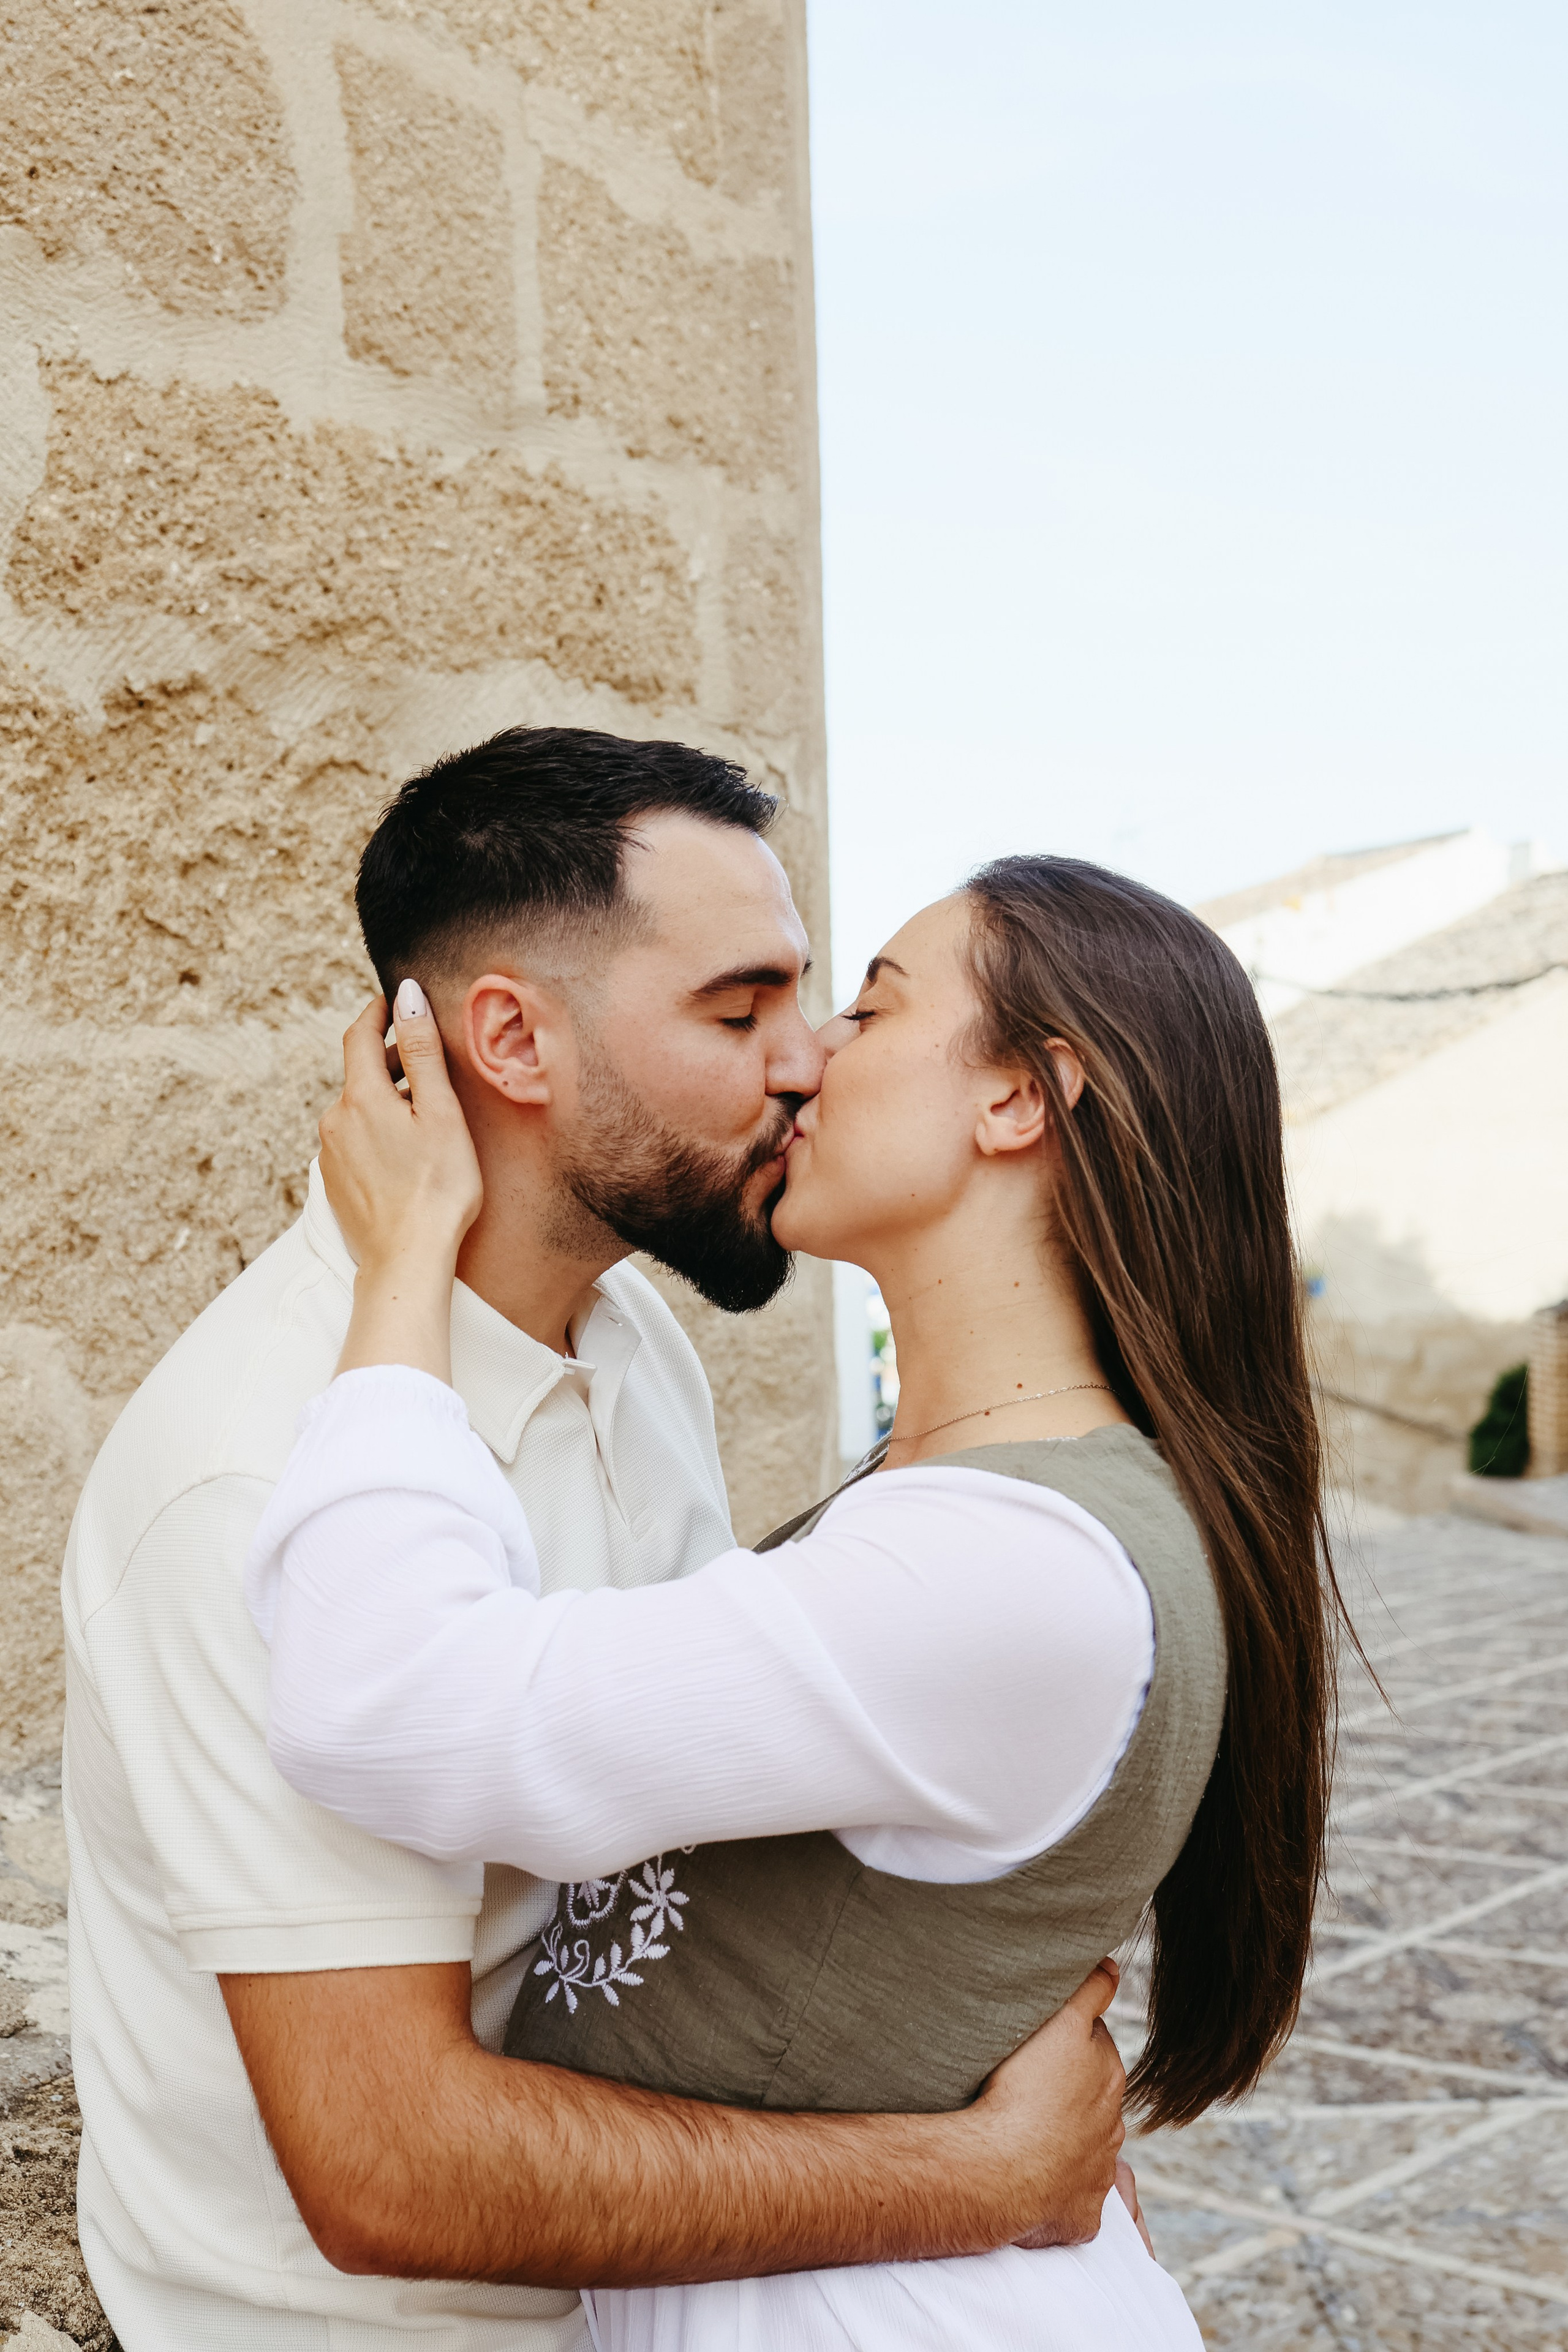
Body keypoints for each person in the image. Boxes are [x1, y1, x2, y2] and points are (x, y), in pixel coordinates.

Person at [61, 729, 1126, 2352]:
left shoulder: (636, 1349)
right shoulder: (250, 1475)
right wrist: (985, 2177)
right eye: (737, 1007)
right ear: (513, 1038)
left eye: (808, 999)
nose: (805, 1062)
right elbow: (392, 2176)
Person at [247, 850, 1344, 2348]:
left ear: (1018, 1096)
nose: (805, 1057)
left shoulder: (1014, 1569)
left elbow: (390, 1703)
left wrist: (401, 1269)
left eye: (870, 1011)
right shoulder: (986, 1507)